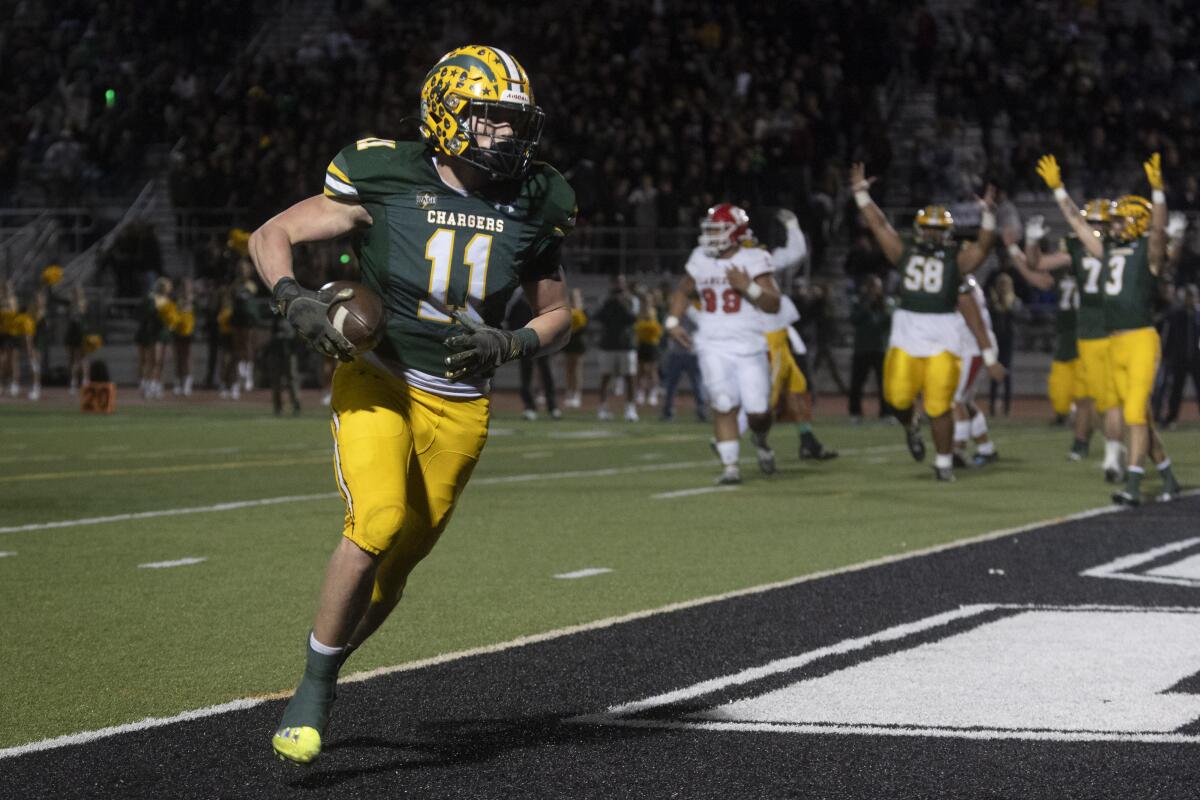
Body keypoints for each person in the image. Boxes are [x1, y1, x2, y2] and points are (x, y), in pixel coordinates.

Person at [249, 45, 575, 765]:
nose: (508, 136)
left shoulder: (537, 196)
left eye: (515, 122)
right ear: (448, 114)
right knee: (378, 520)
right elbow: (272, 234)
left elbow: (559, 313)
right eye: (492, 120)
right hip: (379, 377)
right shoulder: (385, 172)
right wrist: (291, 296)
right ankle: (314, 689)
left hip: (460, 403)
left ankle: (327, 664)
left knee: (395, 576)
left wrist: (511, 341)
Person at [1036, 153, 1181, 504]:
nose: (1113, 225)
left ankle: (1132, 486)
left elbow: (1158, 231)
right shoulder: (1110, 248)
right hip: (1113, 342)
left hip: (1140, 340)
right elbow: (1081, 226)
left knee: (1132, 413)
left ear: (1136, 222)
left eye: (1120, 221)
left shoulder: (1150, 251)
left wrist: (1158, 193)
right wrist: (1058, 191)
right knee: (1139, 417)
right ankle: (1168, 477)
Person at [851, 162, 997, 481]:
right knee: (898, 398)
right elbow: (879, 226)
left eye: (937, 228)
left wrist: (987, 213)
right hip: (907, 334)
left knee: (939, 405)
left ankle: (943, 463)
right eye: (927, 228)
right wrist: (861, 195)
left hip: (943, 337)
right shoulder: (903, 252)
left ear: (947, 232)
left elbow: (984, 246)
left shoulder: (956, 259)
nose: (931, 233)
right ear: (919, 229)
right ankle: (910, 425)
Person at [665, 203, 782, 484]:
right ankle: (731, 468)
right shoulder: (700, 258)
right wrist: (672, 321)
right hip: (711, 343)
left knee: (758, 412)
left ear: (736, 231)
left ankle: (761, 439)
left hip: (749, 345)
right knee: (723, 402)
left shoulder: (755, 257)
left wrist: (748, 286)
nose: (711, 235)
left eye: (717, 229)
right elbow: (683, 290)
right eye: (710, 229)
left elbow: (773, 304)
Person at [1033, 158, 1126, 481]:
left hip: (1117, 330)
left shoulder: (1118, 246)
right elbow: (1042, 263)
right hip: (1091, 332)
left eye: (1102, 223)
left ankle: (1122, 455)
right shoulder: (1085, 247)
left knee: (1120, 401)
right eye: (1093, 223)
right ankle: (1114, 450)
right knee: (1102, 401)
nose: (1096, 228)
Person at [1007, 222, 1092, 459]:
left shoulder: (1097, 271)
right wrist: (1014, 249)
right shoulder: (1062, 277)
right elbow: (1034, 276)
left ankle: (1081, 443)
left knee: (1086, 399)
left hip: (1089, 341)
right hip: (1065, 342)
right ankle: (1088, 432)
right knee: (1061, 401)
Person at [952, 274, 1006, 466]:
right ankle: (986, 448)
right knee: (964, 401)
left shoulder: (960, 285)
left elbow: (976, 325)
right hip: (973, 346)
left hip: (974, 348)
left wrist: (989, 359)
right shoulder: (969, 281)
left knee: (953, 400)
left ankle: (956, 451)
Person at [506, 286, 560, 420]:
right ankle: (529, 407)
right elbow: (510, 317)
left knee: (546, 372)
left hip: (542, 339)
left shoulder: (543, 295)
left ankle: (552, 406)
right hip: (525, 340)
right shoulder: (517, 296)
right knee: (526, 373)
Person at [593, 274, 638, 421]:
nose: (619, 285)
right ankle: (602, 407)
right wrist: (610, 303)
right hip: (608, 343)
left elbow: (634, 318)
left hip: (627, 344)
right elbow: (598, 317)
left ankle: (630, 409)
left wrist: (623, 303)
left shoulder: (631, 299)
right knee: (606, 377)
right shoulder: (605, 299)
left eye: (621, 282)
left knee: (629, 377)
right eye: (616, 282)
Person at [848, 275, 892, 421]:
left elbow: (887, 322)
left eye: (876, 287)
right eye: (872, 287)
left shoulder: (885, 303)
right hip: (862, 347)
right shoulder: (859, 302)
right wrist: (866, 306)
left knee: (884, 384)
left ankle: (886, 412)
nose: (874, 290)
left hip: (880, 348)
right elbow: (854, 319)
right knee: (857, 383)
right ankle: (855, 412)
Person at [1159, 284, 1200, 427]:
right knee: (1176, 390)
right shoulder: (1177, 314)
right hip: (1180, 358)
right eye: (1189, 296)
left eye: (1193, 296)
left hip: (1196, 358)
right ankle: (1171, 418)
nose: (1191, 299)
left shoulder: (1197, 315)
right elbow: (1171, 336)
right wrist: (1167, 354)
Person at [986, 272, 1018, 416]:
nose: (1003, 287)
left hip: (1008, 341)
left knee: (1007, 374)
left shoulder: (1015, 302)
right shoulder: (991, 302)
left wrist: (1009, 307)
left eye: (1005, 284)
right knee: (994, 374)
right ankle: (992, 406)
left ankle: (1007, 407)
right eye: (1001, 284)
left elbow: (1022, 317)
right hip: (996, 341)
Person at [633, 299, 662, 408]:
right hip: (641, 345)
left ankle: (653, 393)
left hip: (652, 344)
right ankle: (640, 392)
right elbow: (636, 329)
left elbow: (657, 329)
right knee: (641, 370)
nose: (646, 304)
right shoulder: (639, 314)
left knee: (652, 370)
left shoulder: (653, 312)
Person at [561, 288, 587, 408]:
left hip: (579, 343)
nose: (573, 299)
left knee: (576, 368)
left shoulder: (583, 311)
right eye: (571, 297)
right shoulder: (566, 311)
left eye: (575, 297)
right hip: (568, 343)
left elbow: (586, 327)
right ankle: (569, 392)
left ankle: (577, 394)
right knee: (568, 369)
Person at [172, 279, 196, 396]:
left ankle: (187, 382)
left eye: (188, 287)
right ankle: (178, 382)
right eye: (184, 287)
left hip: (189, 334)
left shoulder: (194, 301)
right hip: (178, 332)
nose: (186, 289)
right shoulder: (177, 300)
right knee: (178, 358)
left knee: (187, 358)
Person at [65, 285, 89, 394]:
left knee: (81, 358)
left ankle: (84, 380)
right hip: (71, 333)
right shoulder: (70, 304)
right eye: (74, 292)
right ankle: (73, 382)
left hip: (80, 333)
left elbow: (83, 318)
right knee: (71, 359)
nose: (75, 294)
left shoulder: (83, 304)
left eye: (77, 292)